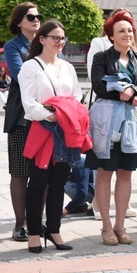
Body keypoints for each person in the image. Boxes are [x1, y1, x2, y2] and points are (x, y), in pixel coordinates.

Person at [18, 20, 86, 253]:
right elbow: (28, 104)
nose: (60, 42)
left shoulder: (66, 67)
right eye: (55, 38)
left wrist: (66, 113)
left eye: (63, 38)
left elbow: (76, 95)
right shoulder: (31, 67)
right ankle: (34, 232)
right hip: (42, 129)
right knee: (37, 183)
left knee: (58, 183)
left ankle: (54, 229)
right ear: (42, 40)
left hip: (65, 130)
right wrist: (53, 115)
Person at [87, 11, 137, 245]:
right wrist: (123, 95)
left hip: (134, 123)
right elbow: (98, 87)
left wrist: (135, 91)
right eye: (122, 31)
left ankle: (120, 226)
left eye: (129, 30)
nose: (127, 34)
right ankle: (105, 227)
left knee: (126, 173)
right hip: (107, 123)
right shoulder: (102, 57)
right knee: (104, 173)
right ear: (111, 36)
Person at [4, 1, 41, 242]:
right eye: (30, 17)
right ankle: (20, 224)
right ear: (19, 22)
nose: (36, 20)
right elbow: (21, 76)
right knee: (19, 171)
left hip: (45, 115)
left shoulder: (47, 42)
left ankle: (38, 221)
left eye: (38, 16)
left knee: (43, 171)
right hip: (21, 116)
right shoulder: (13, 46)